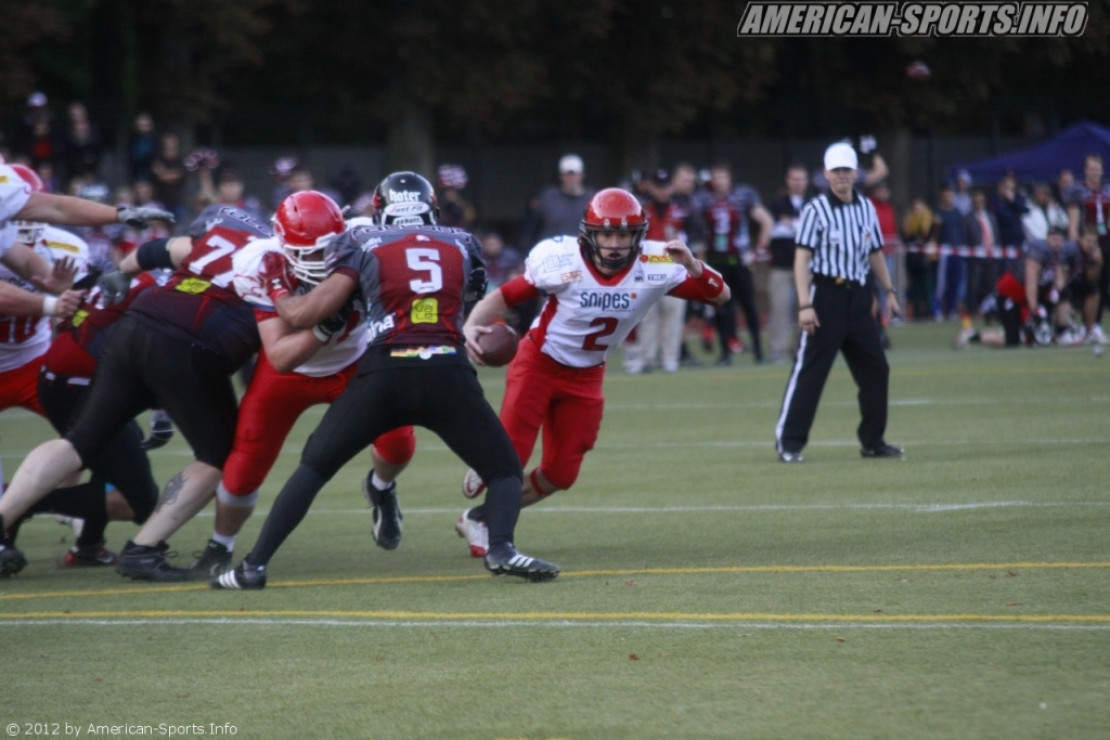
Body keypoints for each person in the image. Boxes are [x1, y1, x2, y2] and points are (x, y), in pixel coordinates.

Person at [211, 171, 558, 589]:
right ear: (431, 209)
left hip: (384, 373)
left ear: (380, 211)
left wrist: (282, 294)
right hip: (448, 371)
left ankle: (254, 566)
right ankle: (501, 547)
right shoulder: (464, 242)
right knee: (503, 471)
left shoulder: (360, 242)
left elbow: (303, 315)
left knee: (314, 467)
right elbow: (465, 297)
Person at [453, 187, 731, 559]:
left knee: (561, 474)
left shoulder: (656, 266)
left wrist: (694, 265)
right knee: (511, 460)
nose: (615, 244)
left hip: (587, 376)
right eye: (607, 234)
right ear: (589, 234)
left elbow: (721, 295)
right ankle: (489, 481)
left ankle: (479, 515)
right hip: (539, 363)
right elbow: (503, 297)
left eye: (624, 235)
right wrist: (471, 326)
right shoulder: (563, 262)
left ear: (638, 236)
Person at [0, 204, 265, 579]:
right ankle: (142, 551)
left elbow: (152, 251)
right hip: (183, 345)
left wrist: (120, 274)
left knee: (79, 442)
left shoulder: (214, 243)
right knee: (218, 456)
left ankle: (13, 517)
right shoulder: (280, 257)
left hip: (132, 331)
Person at [166, 196, 417, 581]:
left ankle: (381, 486)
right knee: (246, 462)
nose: (324, 258)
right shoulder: (259, 262)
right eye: (312, 252)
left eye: (332, 247)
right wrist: (323, 327)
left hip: (355, 362)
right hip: (286, 371)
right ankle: (221, 544)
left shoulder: (364, 239)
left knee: (400, 443)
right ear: (283, 244)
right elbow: (282, 356)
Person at [773, 141, 902, 463]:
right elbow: (802, 259)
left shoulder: (866, 208)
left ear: (856, 173)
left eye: (847, 170)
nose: (842, 176)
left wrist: (889, 292)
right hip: (826, 296)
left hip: (858, 298)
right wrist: (805, 305)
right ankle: (789, 443)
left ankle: (873, 441)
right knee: (811, 372)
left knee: (876, 368)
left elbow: (874, 253)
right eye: (836, 170)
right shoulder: (815, 209)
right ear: (826, 173)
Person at [692, 160, 772, 364]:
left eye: (723, 176)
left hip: (739, 260)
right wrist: (701, 263)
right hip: (716, 261)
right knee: (720, 308)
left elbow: (766, 221)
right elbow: (698, 231)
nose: (719, 181)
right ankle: (725, 352)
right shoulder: (704, 199)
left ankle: (757, 351)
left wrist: (757, 252)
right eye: (716, 177)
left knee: (748, 306)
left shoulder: (742, 195)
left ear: (730, 178)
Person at [767, 164, 810, 363]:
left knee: (806, 307)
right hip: (781, 265)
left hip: (808, 266)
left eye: (801, 178)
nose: (797, 182)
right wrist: (797, 226)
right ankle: (778, 349)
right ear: (787, 180)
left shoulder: (814, 204)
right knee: (779, 307)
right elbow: (773, 231)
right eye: (794, 178)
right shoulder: (776, 204)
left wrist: (792, 225)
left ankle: (803, 346)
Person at [1066, 153, 1110, 340]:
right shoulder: (1078, 191)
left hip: (1107, 241)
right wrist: (1078, 245)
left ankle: (1096, 326)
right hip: (1089, 243)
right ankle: (1084, 325)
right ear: (1085, 170)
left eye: (1098, 168)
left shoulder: (1107, 190)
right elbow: (1074, 222)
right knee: (1089, 285)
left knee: (1103, 284)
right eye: (1092, 168)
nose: (1095, 172)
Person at [519, 153, 595, 249]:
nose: (571, 178)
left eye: (574, 174)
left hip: (583, 253)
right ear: (560, 176)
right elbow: (531, 228)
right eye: (567, 174)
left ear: (582, 175)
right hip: (552, 254)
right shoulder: (546, 198)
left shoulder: (594, 200)